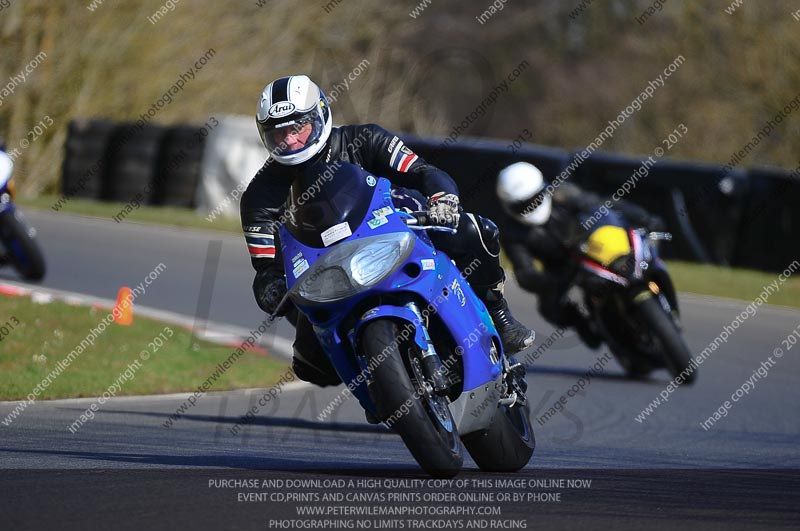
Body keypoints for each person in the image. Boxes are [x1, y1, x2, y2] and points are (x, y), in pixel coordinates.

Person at [240, 75, 535, 387]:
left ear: (319, 115)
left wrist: (442, 199)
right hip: (327, 273)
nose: (290, 140)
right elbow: (267, 265)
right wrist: (270, 288)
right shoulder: (259, 196)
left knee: (476, 230)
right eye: (279, 134)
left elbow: (424, 172)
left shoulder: (365, 138)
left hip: (397, 233)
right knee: (312, 367)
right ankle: (376, 380)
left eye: (297, 128)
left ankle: (498, 316)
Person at [496, 162, 663, 349]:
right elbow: (524, 273)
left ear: (544, 189)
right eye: (523, 205)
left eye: (535, 199)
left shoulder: (563, 194)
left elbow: (603, 205)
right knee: (549, 308)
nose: (531, 206)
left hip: (590, 245)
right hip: (560, 267)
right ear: (510, 206)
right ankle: (584, 325)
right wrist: (549, 281)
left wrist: (643, 218)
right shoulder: (512, 232)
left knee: (636, 249)